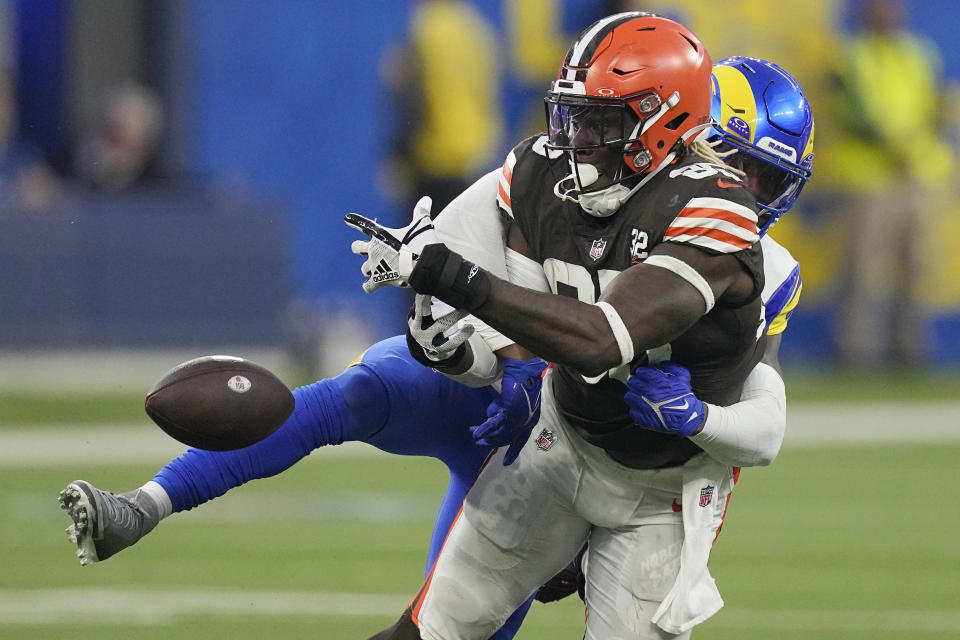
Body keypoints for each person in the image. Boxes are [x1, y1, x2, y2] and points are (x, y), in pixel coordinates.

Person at [61, 41, 812, 640]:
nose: (742, 192)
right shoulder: (556, 171)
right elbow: (445, 262)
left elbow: (754, 401)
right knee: (358, 396)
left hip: (595, 453)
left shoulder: (747, 255)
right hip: (503, 400)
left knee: (462, 622)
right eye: (735, 164)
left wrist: (696, 423)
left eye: (760, 180)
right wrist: (464, 344)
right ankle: (148, 504)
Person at [348, 13, 800, 640]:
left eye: (601, 121)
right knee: (428, 632)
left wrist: (453, 276)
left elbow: (600, 335)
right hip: (560, 441)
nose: (577, 138)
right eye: (573, 115)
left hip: (661, 489)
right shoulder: (542, 171)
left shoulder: (716, 207)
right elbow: (525, 335)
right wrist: (453, 347)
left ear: (662, 121)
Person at [828, 0, 952, 369]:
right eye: (880, 7)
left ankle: (910, 351)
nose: (888, 13)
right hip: (870, 178)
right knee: (865, 269)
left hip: (918, 176)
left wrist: (919, 150)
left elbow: (936, 106)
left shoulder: (918, 52)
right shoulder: (850, 55)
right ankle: (856, 353)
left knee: (917, 266)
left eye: (893, 7)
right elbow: (852, 113)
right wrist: (895, 150)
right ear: (866, 13)